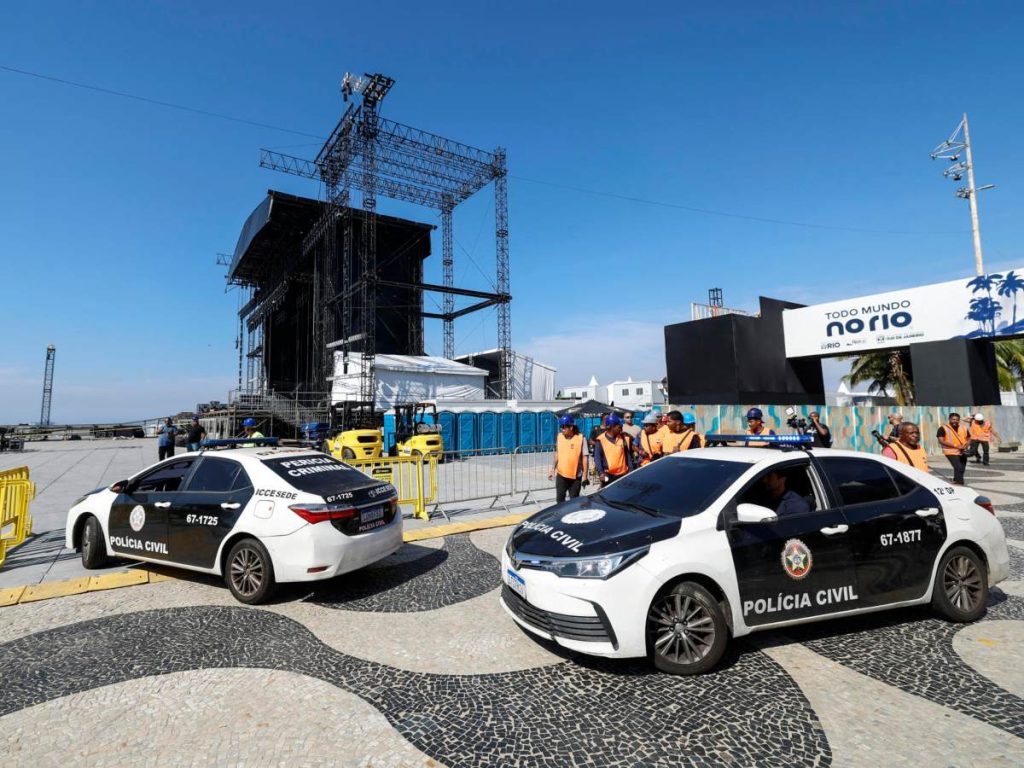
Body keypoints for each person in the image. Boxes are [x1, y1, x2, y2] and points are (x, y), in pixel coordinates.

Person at [548, 415, 590, 502]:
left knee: (574, 502)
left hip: (575, 477)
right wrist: (552, 469)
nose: (562, 429)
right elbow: (557, 453)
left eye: (564, 427)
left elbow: (585, 458)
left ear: (571, 427)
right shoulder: (559, 437)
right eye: (561, 427)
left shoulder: (581, 438)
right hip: (561, 475)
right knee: (560, 500)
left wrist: (585, 476)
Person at [593, 413, 634, 486]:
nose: (621, 427)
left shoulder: (623, 438)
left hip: (623, 474)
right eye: (619, 426)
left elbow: (627, 455)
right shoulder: (600, 440)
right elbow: (597, 458)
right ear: (612, 427)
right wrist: (600, 473)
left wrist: (631, 469)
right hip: (608, 475)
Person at [937, 412, 969, 485]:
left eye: (957, 420)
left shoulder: (963, 428)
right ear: (949, 419)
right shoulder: (942, 428)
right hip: (950, 451)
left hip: (962, 451)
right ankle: (960, 483)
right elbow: (941, 441)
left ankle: (956, 480)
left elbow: (969, 437)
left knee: (962, 469)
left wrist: (967, 445)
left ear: (959, 420)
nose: (955, 421)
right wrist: (956, 446)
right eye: (953, 419)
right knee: (958, 467)